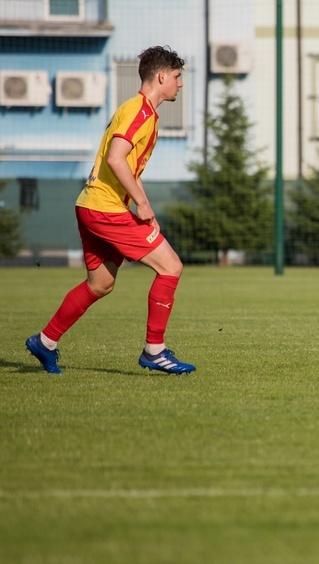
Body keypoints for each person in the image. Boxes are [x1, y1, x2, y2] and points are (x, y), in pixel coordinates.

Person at [25, 46, 195, 375]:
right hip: (105, 209)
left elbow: (129, 167)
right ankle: (155, 351)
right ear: (161, 77)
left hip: (93, 206)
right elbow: (117, 159)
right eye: (177, 76)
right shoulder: (139, 111)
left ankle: (45, 342)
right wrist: (142, 204)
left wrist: (145, 208)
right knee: (171, 266)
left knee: (100, 284)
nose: (180, 83)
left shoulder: (141, 111)